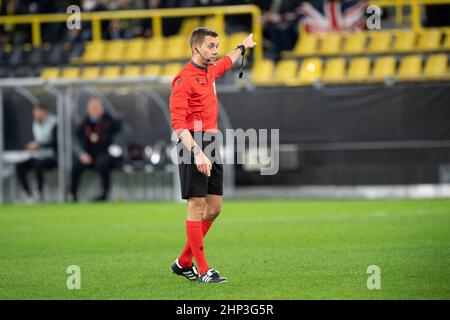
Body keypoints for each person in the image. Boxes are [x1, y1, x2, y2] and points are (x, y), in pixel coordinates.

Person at [169, 27, 256, 283]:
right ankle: (204, 269)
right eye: (211, 46)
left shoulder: (210, 69)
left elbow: (227, 61)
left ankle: (184, 262)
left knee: (214, 208)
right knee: (197, 205)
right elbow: (178, 125)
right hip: (193, 144)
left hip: (212, 142)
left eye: (217, 45)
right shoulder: (183, 79)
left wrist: (243, 47)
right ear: (196, 48)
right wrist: (197, 152)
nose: (216, 51)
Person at [70, 97, 121, 202]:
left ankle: (104, 194)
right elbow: (76, 139)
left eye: (96, 107)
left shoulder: (109, 120)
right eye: (92, 107)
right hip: (88, 154)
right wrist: (82, 154)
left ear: (102, 108)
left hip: (105, 152)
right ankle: (72, 194)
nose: (94, 109)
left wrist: (117, 146)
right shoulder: (84, 123)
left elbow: (122, 132)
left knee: (102, 164)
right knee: (76, 165)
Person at [16, 104, 57, 202]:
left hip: (52, 156)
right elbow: (35, 140)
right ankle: (27, 194)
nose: (35, 116)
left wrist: (39, 145)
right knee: (19, 166)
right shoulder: (35, 124)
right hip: (38, 155)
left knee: (39, 165)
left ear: (44, 112)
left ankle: (39, 192)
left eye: (37, 113)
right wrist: (32, 146)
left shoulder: (55, 123)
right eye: (34, 113)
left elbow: (56, 143)